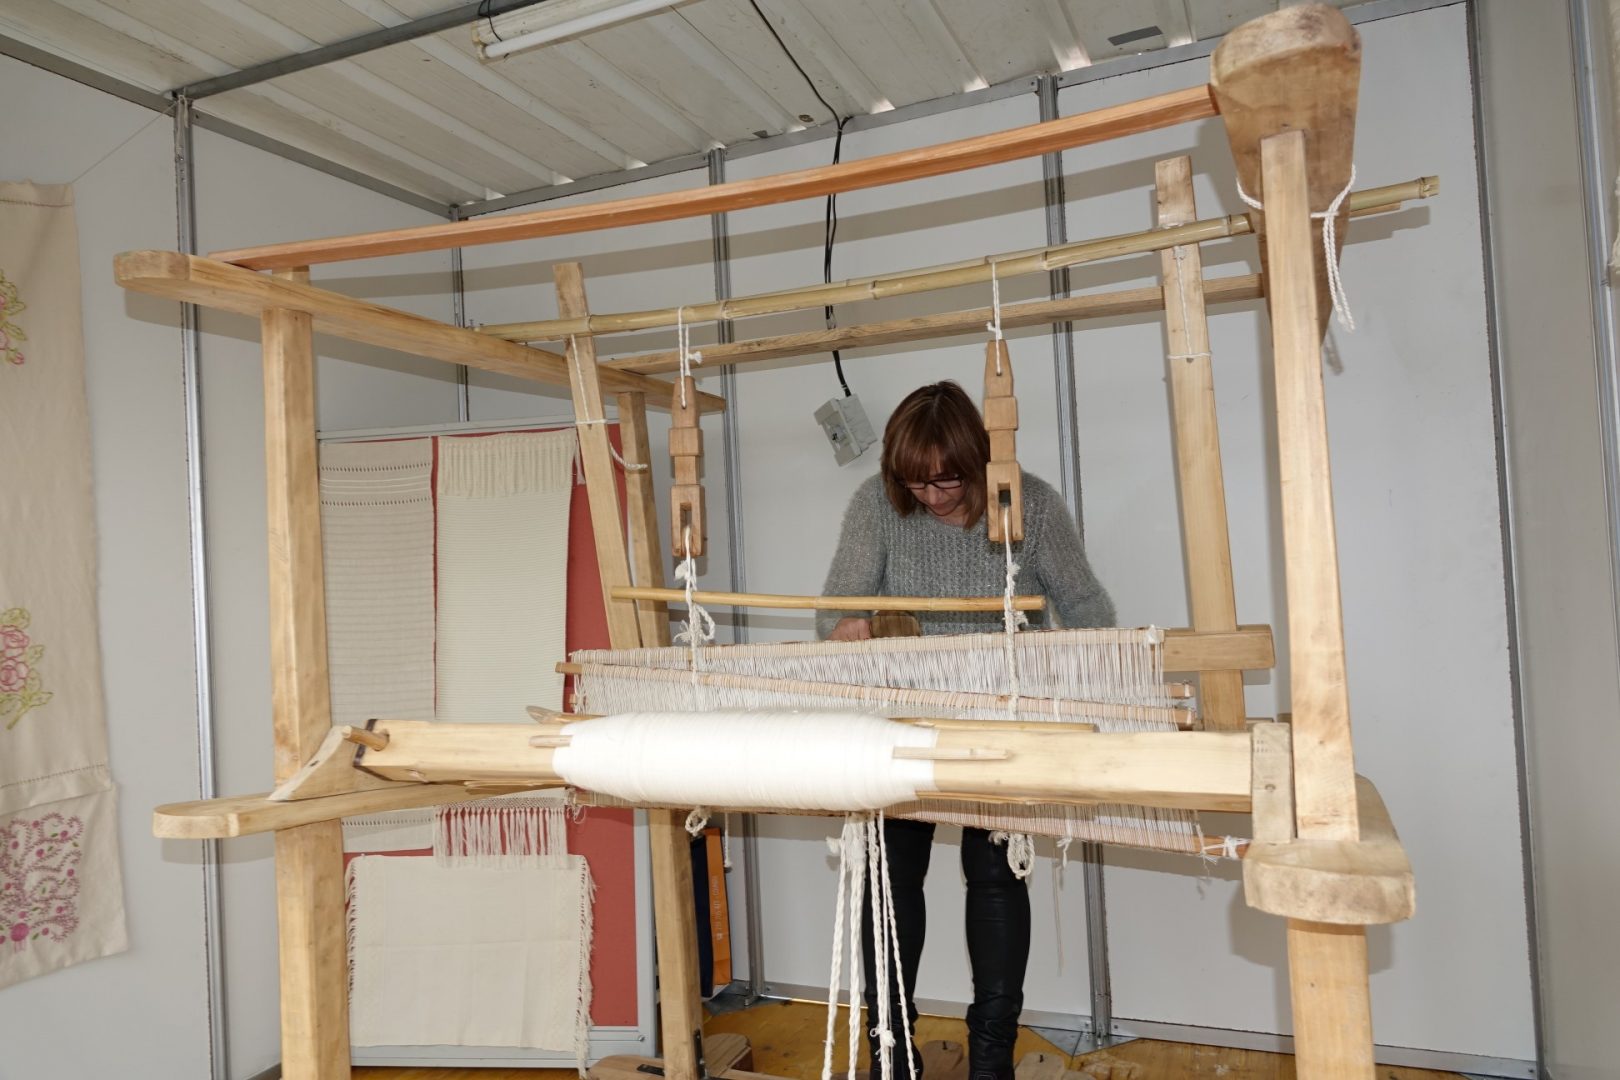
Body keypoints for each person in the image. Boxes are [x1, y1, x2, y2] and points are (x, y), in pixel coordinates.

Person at [817, 381, 1115, 1080]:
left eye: (946, 480)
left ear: (978, 462)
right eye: (916, 483)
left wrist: (1081, 670)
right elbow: (834, 607)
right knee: (890, 878)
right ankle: (892, 1052)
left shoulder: (1030, 503)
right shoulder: (876, 505)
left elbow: (1087, 607)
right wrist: (849, 624)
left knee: (995, 875)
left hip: (997, 718)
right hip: (902, 720)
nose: (931, 496)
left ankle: (990, 1057)